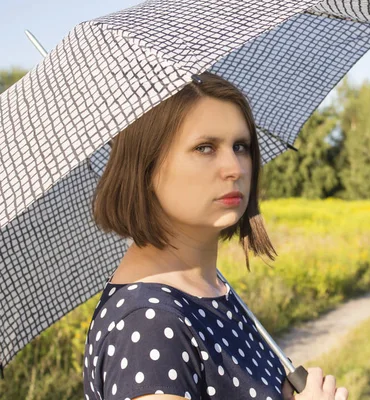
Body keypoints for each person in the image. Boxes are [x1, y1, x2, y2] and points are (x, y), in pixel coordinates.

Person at [81, 71, 350, 400]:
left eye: (241, 146)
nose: (235, 168)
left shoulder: (209, 291)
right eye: (205, 148)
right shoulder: (150, 325)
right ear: (144, 167)